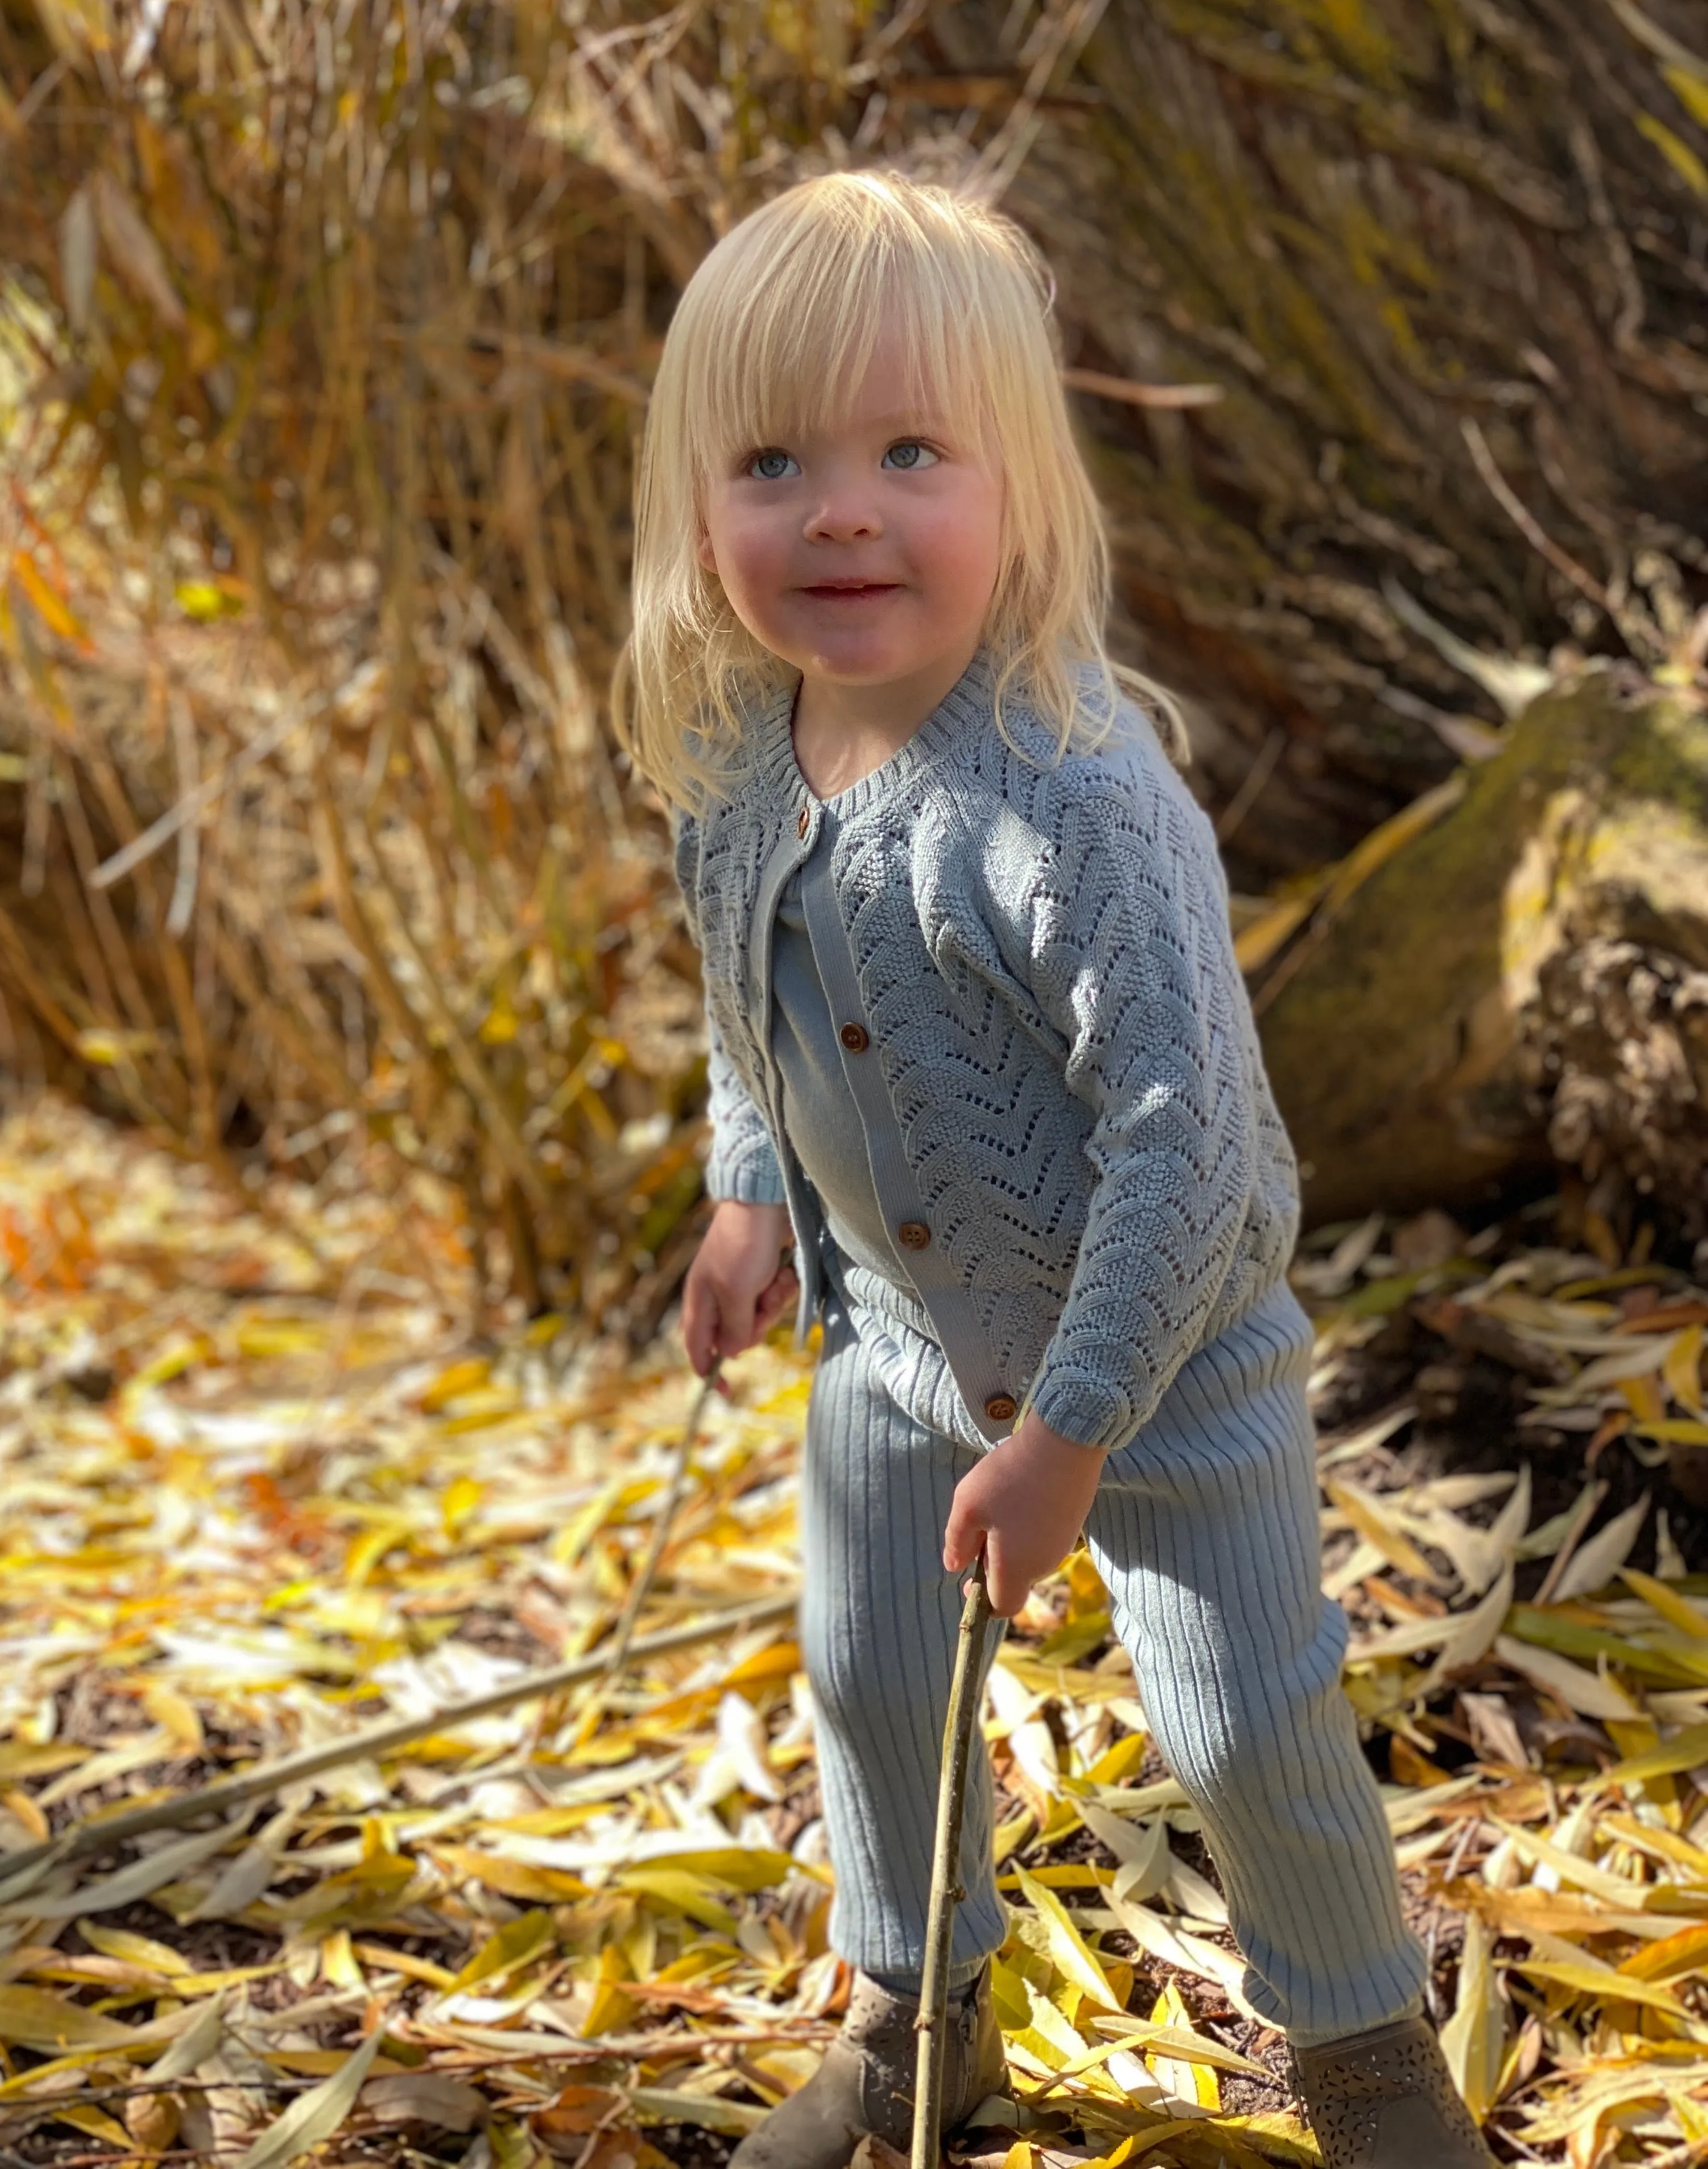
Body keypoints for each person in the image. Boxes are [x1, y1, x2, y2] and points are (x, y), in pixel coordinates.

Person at [613, 172, 1492, 2169]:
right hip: (904, 1358)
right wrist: (752, 1200)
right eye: (775, 461)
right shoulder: (749, 759)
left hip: (1161, 1367)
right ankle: (921, 2024)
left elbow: (1186, 1152)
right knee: (866, 1678)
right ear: (698, 510)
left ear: (1021, 486)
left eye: (910, 452)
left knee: (1248, 1721)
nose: (841, 508)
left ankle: (1367, 2071)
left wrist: (1079, 1427)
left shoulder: (1081, 806)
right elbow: (752, 993)